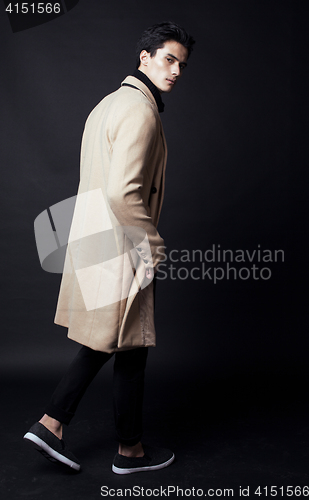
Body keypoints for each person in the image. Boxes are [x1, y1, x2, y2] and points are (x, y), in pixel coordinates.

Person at [23, 21, 195, 475]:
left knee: (118, 343)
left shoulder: (107, 104)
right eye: (168, 59)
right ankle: (108, 443)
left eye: (182, 63)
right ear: (145, 58)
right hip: (123, 246)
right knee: (125, 343)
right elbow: (122, 192)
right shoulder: (139, 110)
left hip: (96, 241)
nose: (176, 70)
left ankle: (73, 430)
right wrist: (151, 246)